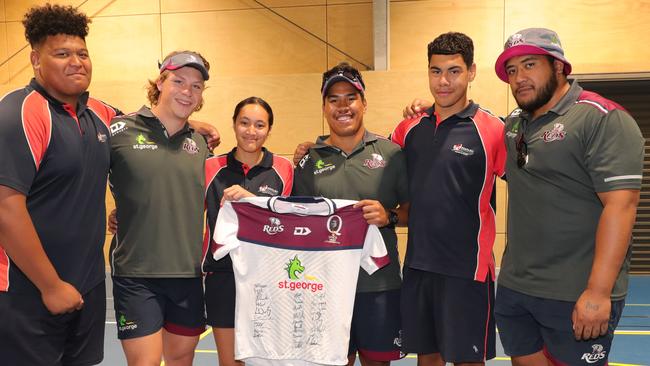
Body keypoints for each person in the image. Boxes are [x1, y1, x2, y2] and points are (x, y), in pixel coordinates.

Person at [493, 28, 643, 365]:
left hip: (575, 293)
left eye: (529, 65)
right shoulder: (514, 124)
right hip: (518, 287)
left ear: (559, 66)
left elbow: (621, 207)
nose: (519, 78)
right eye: (512, 71)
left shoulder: (602, 118)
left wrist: (598, 292)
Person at [0, 4, 120, 365]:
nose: (76, 62)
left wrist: (197, 124)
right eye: (62, 53)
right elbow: (6, 208)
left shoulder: (101, 112)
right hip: (27, 293)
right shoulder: (18, 113)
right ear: (36, 60)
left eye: (82, 53)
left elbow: (149, 132)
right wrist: (50, 287)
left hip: (87, 286)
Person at [390, 32, 505, 366]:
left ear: (471, 71)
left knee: (467, 361)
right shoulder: (408, 129)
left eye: (453, 71)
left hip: (466, 270)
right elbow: (370, 162)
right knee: (427, 358)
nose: (443, 81)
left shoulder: (493, 130)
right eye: (435, 71)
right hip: (418, 265)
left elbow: (534, 186)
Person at [292, 62, 410, 366]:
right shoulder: (309, 161)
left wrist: (389, 216)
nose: (343, 106)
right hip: (325, 288)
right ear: (324, 107)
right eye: (334, 99)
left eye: (350, 97)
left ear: (364, 103)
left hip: (378, 286)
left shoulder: (391, 154)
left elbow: (413, 211)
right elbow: (297, 223)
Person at [108, 51, 211, 366]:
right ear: (160, 82)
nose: (187, 91)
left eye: (196, 87)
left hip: (189, 273)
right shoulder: (118, 132)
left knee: (181, 359)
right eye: (178, 81)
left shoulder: (203, 143)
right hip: (136, 274)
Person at [202, 96, 293, 366]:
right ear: (233, 124)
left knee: (270, 361)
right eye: (244, 123)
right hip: (223, 276)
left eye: (259, 125)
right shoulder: (210, 167)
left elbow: (287, 223)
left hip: (268, 279)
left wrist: (250, 199)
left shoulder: (284, 169)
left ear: (269, 129)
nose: (251, 131)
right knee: (230, 362)